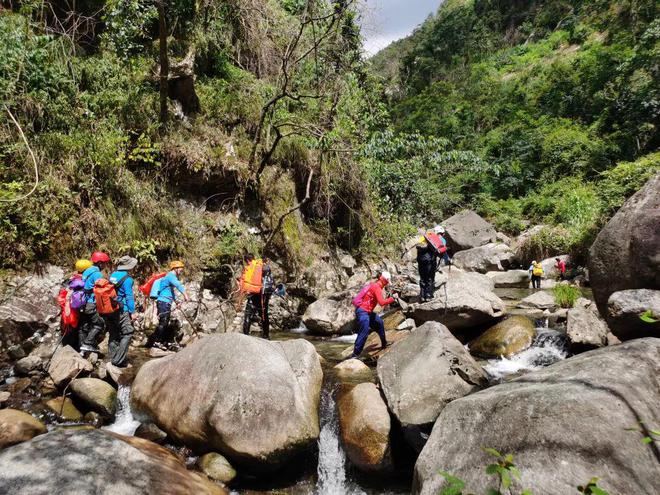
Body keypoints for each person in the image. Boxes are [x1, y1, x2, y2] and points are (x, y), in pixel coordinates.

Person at [349, 271, 396, 359]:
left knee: (379, 322)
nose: (387, 284)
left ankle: (384, 343)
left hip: (367, 312)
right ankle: (355, 355)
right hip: (363, 312)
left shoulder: (375, 285)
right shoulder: (377, 287)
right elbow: (382, 303)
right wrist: (392, 299)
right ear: (384, 281)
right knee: (364, 332)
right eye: (387, 282)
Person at [103, 256, 138, 367]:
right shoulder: (127, 279)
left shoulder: (112, 275)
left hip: (110, 309)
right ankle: (118, 360)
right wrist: (133, 312)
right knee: (128, 333)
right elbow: (129, 297)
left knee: (114, 333)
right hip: (122, 310)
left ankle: (113, 356)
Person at [148, 260, 188, 349]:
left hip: (165, 302)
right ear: (175, 268)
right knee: (164, 322)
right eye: (180, 269)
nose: (181, 271)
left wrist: (176, 301)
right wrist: (185, 295)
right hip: (163, 302)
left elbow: (171, 292)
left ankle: (160, 341)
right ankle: (157, 341)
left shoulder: (170, 277)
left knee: (164, 321)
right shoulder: (171, 276)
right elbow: (178, 285)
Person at [80, 251, 111, 354]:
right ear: (100, 263)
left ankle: (82, 347)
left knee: (85, 325)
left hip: (84, 303)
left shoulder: (86, 271)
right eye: (105, 263)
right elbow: (101, 289)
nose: (105, 265)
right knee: (99, 324)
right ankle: (87, 344)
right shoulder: (97, 273)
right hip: (92, 303)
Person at [57, 259, 92, 351]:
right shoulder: (85, 280)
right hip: (80, 308)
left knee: (71, 329)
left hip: (69, 308)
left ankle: (67, 348)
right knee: (82, 327)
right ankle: (81, 349)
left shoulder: (71, 279)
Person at [240, 254, 274, 339]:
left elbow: (245, 281)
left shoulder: (250, 267)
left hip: (252, 294)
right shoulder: (262, 266)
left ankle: (245, 337)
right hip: (263, 295)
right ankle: (266, 336)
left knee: (247, 315)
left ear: (247, 260)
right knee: (264, 315)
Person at [416, 225, 450, 302]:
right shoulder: (440, 239)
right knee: (430, 277)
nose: (443, 235)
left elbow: (418, 246)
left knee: (422, 277)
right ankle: (428, 295)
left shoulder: (425, 237)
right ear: (441, 233)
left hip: (420, 259)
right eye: (443, 234)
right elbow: (442, 250)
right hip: (430, 260)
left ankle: (422, 295)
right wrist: (448, 260)